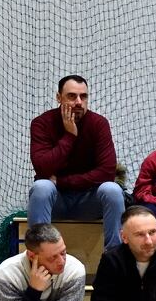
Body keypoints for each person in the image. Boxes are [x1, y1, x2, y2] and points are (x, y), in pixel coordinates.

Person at [28, 75, 125, 249]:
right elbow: (42, 168)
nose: (79, 102)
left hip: (88, 200)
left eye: (83, 96)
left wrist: (62, 181)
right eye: (72, 96)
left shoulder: (99, 124)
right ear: (59, 97)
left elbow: (107, 172)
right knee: (41, 187)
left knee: (112, 190)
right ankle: (39, 254)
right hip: (56, 200)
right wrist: (69, 136)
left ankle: (114, 257)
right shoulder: (41, 123)